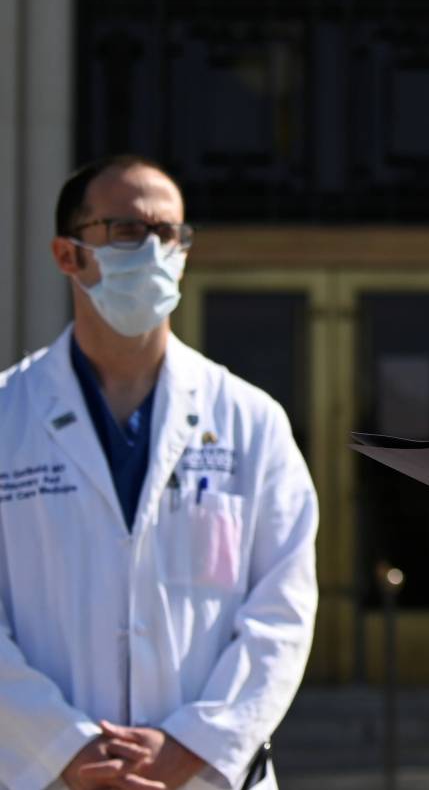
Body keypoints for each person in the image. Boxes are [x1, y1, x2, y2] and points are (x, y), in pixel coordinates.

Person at [0, 155, 319, 790]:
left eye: (168, 234)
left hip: (201, 776)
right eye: (125, 231)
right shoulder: (9, 415)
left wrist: (191, 747)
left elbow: (282, 610)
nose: (153, 250)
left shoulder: (250, 420)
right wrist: (64, 749)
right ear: (68, 255)